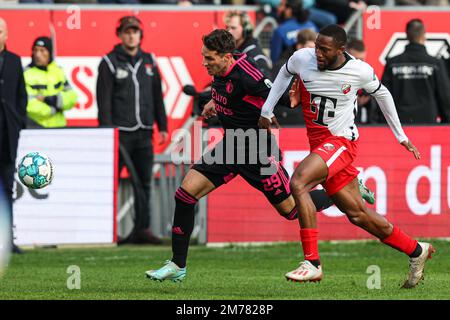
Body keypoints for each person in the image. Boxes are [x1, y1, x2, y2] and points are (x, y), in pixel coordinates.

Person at [145, 29, 374, 282]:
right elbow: (228, 93)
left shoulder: (248, 74)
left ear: (226, 57)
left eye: (209, 58)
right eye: (204, 57)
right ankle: (178, 265)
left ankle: (348, 191)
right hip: (231, 147)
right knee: (185, 195)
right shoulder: (221, 71)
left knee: (290, 210)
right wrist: (213, 100)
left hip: (257, 151)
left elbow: (276, 96)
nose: (204, 62)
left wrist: (289, 100)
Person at [258, 24, 434, 288]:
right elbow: (284, 73)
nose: (317, 53)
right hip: (319, 145)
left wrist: (401, 136)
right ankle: (417, 250)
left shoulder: (358, 70)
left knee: (298, 183)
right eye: (317, 46)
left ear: (341, 50)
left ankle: (312, 263)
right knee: (358, 214)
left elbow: (382, 94)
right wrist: (266, 109)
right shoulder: (302, 58)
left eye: (324, 49)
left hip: (341, 142)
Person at [96, 16, 168, 245]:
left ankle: (142, 229)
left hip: (144, 130)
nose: (131, 35)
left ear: (140, 35)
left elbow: (158, 96)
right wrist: (108, 132)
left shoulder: (149, 61)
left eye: (135, 31)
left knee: (144, 182)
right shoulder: (108, 61)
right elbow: (103, 101)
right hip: (119, 133)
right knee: (112, 183)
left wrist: (163, 126)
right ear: (120, 34)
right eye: (127, 32)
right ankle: (108, 230)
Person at [381, 19, 450, 124]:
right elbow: (445, 97)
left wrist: (381, 122)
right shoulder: (435, 64)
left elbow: (383, 96)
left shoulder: (392, 63)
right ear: (424, 35)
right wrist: (446, 122)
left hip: (399, 125)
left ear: (407, 35)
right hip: (428, 124)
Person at [0, 18, 28, 254]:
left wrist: (18, 122)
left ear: (6, 35)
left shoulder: (15, 61)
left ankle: (7, 240)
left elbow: (22, 96)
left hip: (8, 137)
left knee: (8, 188)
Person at [24, 36, 77, 128]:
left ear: (50, 53)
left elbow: (72, 97)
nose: (38, 54)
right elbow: (27, 104)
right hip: (36, 127)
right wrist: (53, 110)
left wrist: (52, 99)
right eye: (35, 50)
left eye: (42, 50)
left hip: (59, 127)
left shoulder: (58, 71)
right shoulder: (26, 73)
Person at [224, 10, 272, 75]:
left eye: (233, 28)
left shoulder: (255, 55)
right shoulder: (235, 51)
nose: (229, 31)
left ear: (246, 29)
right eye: (227, 28)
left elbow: (266, 82)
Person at [270, 0, 318, 65]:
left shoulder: (280, 30)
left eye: (281, 5)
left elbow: (275, 59)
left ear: (289, 10)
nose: (278, 8)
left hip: (290, 69)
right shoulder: (312, 25)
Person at [346, 38, 379, 124]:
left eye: (362, 60)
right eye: (356, 59)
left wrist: (368, 96)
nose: (359, 63)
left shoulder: (367, 71)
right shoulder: (337, 72)